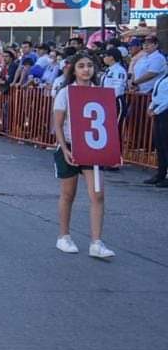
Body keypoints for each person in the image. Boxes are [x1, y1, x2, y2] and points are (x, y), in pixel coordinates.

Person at [51, 53, 115, 259]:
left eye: (89, 65)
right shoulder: (65, 93)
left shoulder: (101, 93)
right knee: (68, 194)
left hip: (93, 147)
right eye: (81, 66)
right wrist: (64, 148)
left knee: (97, 194)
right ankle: (64, 236)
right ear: (74, 70)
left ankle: (96, 242)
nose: (86, 69)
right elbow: (58, 125)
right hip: (70, 146)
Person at [145, 70, 168, 187]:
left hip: (165, 111)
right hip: (158, 111)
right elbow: (156, 94)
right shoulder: (163, 77)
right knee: (159, 144)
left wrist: (156, 111)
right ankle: (161, 173)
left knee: (166, 145)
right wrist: (151, 106)